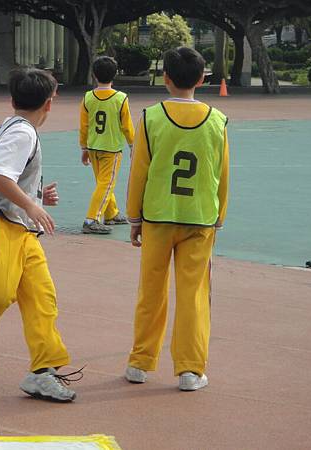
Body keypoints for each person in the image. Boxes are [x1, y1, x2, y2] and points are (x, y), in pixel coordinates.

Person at [0, 67, 81, 402]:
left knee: (42, 299)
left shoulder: (18, 129)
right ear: (49, 103)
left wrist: (36, 197)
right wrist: (31, 204)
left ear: (12, 100)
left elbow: (11, 174)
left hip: (22, 228)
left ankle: (43, 372)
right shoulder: (22, 132)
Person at [124, 47, 229, 391]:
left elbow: (139, 171)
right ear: (201, 79)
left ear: (165, 78)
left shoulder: (150, 117)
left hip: (157, 217)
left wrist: (134, 217)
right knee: (193, 295)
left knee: (151, 292)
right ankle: (190, 370)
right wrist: (219, 216)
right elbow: (221, 173)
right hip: (199, 218)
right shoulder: (217, 120)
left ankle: (140, 363)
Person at [79, 56, 135, 235]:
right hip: (111, 148)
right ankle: (91, 219)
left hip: (93, 147)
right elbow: (127, 126)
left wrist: (84, 147)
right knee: (106, 183)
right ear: (115, 74)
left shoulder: (88, 97)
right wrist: (133, 145)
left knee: (103, 182)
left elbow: (84, 126)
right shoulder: (120, 98)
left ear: (94, 75)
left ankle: (111, 213)